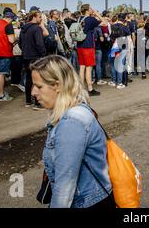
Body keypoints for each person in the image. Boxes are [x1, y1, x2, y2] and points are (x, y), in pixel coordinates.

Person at [30, 55, 115, 209]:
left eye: (39, 86)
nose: (33, 92)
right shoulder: (75, 109)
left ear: (57, 85)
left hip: (87, 202)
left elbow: (65, 186)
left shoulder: (72, 122)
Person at [19, 10, 48, 110]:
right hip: (36, 57)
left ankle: (28, 101)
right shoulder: (36, 28)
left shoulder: (23, 28)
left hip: (26, 56)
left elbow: (19, 43)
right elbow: (39, 43)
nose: (41, 19)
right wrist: (43, 54)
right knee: (37, 80)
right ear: (34, 17)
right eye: (39, 17)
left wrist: (25, 50)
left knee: (29, 79)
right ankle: (37, 103)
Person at [76, 4, 101, 96]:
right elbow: (104, 22)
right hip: (88, 46)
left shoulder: (79, 19)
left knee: (82, 67)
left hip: (79, 45)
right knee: (89, 68)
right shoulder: (90, 19)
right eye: (90, 8)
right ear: (87, 10)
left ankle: (81, 88)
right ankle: (90, 88)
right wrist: (97, 14)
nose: (92, 9)